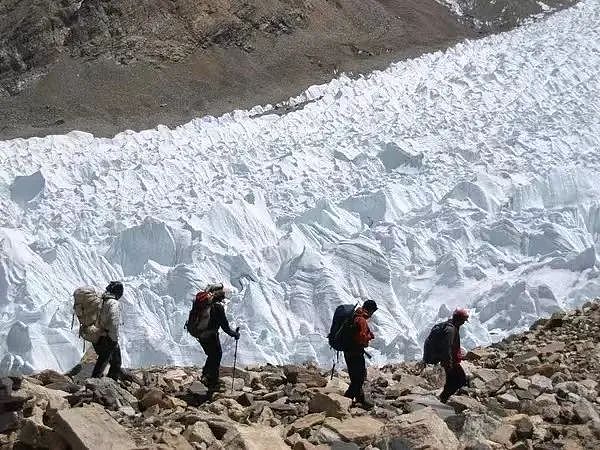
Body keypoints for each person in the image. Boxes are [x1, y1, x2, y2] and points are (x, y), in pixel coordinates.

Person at [196, 284, 240, 391]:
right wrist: (235, 334)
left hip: (200, 335)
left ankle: (205, 376)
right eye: (222, 293)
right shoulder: (218, 308)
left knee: (211, 355)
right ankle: (212, 382)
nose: (224, 295)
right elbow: (225, 328)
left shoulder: (203, 305)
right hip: (211, 336)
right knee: (216, 355)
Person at [343, 299, 378, 409]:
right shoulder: (361, 319)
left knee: (355, 377)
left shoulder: (355, 316)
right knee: (359, 378)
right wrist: (369, 337)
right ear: (370, 310)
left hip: (348, 351)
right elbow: (362, 337)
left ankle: (360, 399)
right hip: (356, 353)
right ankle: (345, 401)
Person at [434, 308, 469, 403]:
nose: (464, 323)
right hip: (449, 361)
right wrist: (448, 363)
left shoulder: (452, 326)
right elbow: (447, 347)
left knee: (451, 381)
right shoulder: (451, 330)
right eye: (463, 320)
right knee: (460, 380)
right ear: (460, 319)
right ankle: (445, 400)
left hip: (450, 360)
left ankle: (443, 399)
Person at [92, 281, 124, 380]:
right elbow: (114, 322)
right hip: (108, 337)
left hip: (97, 335)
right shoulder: (113, 303)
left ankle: (96, 381)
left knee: (103, 360)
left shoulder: (101, 300)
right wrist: (114, 339)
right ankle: (104, 383)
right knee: (115, 362)